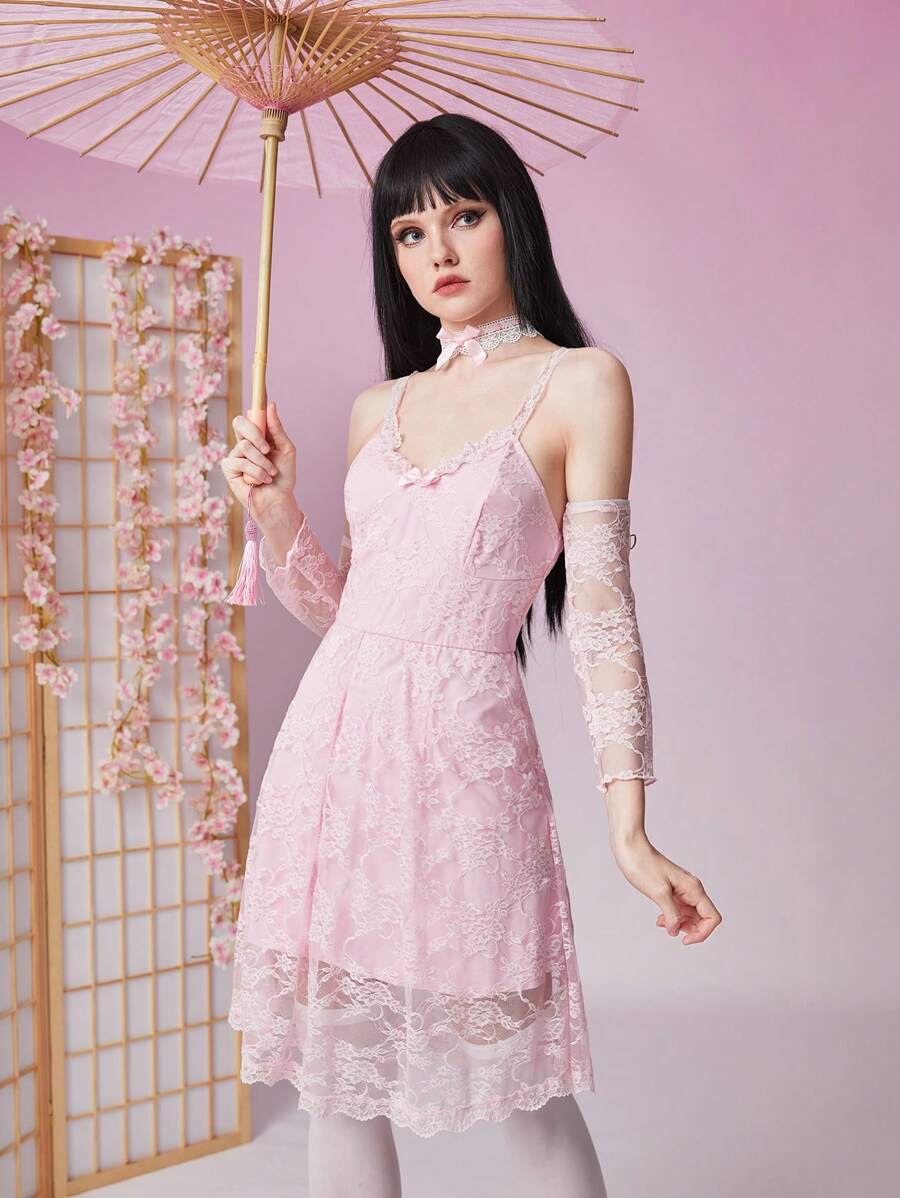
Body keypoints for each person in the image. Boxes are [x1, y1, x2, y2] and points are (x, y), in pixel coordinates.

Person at [223, 113, 721, 1196]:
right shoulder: (378, 407)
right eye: (408, 233)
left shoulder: (583, 382)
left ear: (513, 222)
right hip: (331, 766)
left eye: (463, 216)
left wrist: (630, 825)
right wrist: (274, 510)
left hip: (465, 762)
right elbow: (354, 616)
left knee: (526, 1083)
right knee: (337, 1079)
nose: (437, 252)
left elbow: (602, 614)